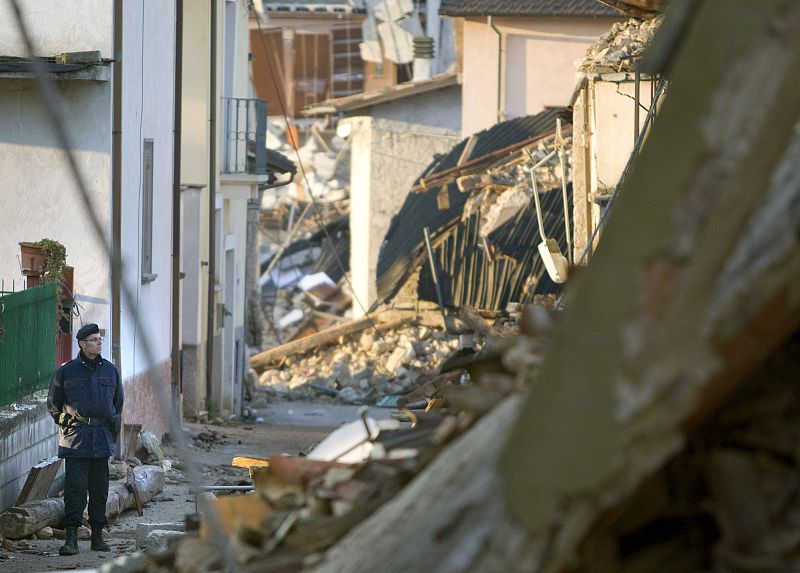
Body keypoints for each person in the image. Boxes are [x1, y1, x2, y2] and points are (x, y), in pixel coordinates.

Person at [47, 324, 123, 556]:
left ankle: (97, 536)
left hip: (101, 438)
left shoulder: (110, 371)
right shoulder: (66, 371)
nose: (99, 343)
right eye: (93, 339)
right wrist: (66, 423)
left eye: (99, 339)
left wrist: (112, 428)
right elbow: (53, 404)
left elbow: (118, 402)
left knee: (99, 490)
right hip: (76, 439)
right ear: (81, 343)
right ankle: (71, 538)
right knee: (75, 490)